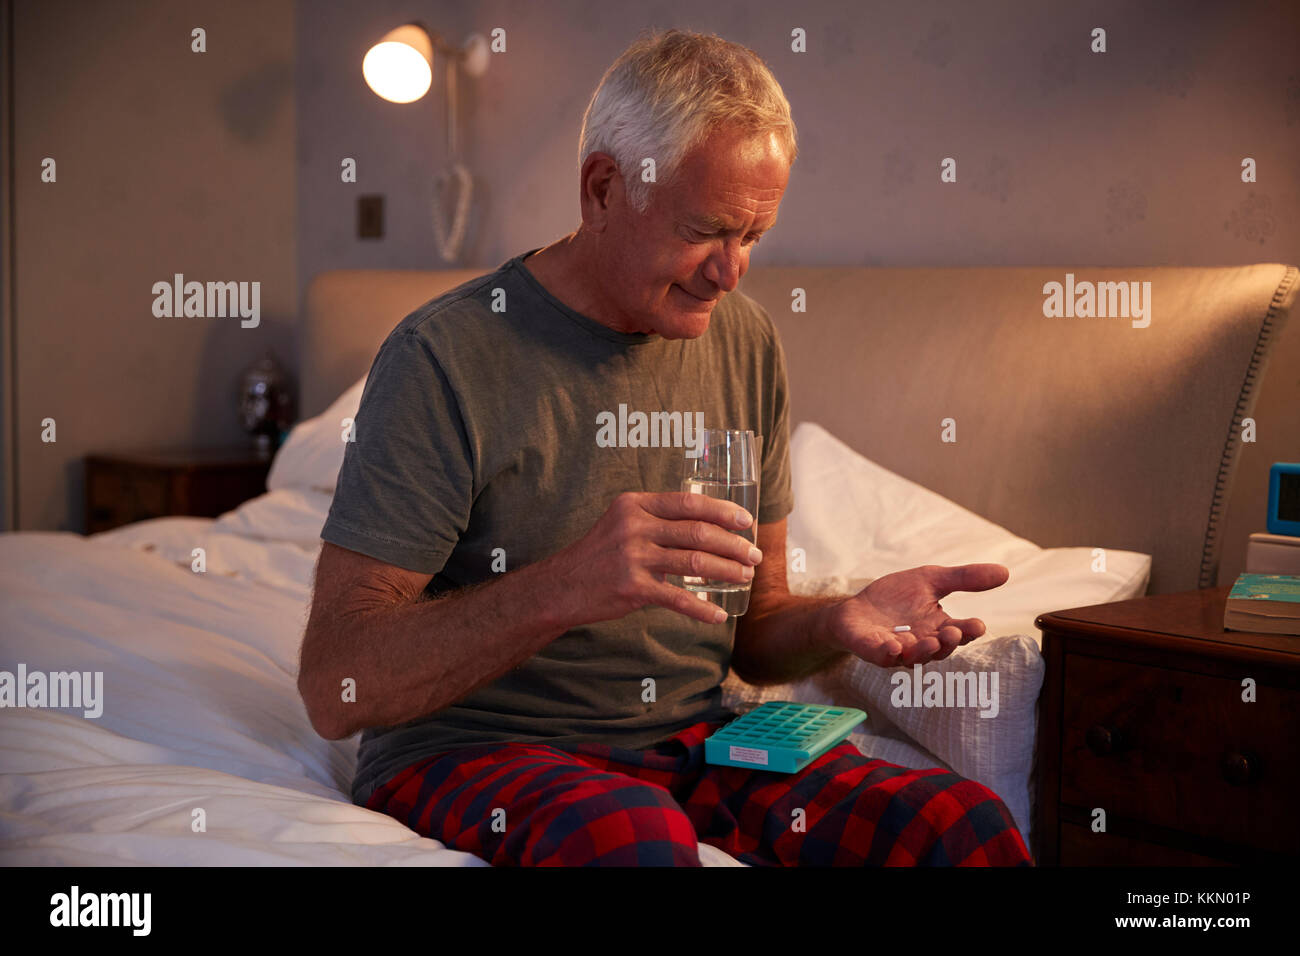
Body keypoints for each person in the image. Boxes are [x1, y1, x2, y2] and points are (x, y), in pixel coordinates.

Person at [297, 28, 1032, 867]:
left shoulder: (745, 343)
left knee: (959, 822)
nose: (731, 272)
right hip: (478, 747)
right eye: (707, 230)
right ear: (604, 188)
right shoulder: (445, 357)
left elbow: (754, 632)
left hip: (698, 741)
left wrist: (837, 618)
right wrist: (565, 587)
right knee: (633, 843)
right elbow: (335, 683)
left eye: (754, 236)